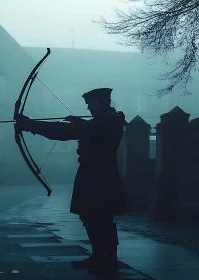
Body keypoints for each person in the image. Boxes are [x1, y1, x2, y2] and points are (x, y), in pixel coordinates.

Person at [16, 88, 127, 274]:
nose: (88, 106)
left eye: (91, 103)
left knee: (100, 216)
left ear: (101, 102)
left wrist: (30, 125)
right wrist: (81, 123)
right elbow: (85, 129)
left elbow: (65, 131)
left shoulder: (108, 120)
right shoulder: (104, 120)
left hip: (100, 174)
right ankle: (99, 255)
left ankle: (108, 259)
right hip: (95, 172)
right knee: (89, 215)